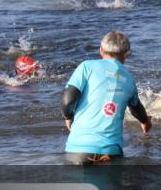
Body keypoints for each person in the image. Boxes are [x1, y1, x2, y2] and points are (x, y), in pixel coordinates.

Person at [63, 31, 152, 164]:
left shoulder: (86, 67)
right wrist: (145, 122)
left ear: (101, 50)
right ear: (126, 54)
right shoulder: (128, 78)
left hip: (78, 149)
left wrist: (68, 117)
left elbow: (68, 99)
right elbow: (136, 108)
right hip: (110, 152)